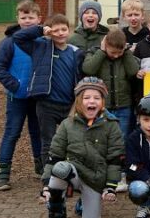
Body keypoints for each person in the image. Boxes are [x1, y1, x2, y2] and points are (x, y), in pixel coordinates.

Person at [39, 78, 124, 218]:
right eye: (87, 97)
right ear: (79, 101)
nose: (92, 101)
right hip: (73, 173)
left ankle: (82, 204)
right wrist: (47, 185)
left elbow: (115, 158)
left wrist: (110, 186)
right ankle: (56, 206)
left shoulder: (112, 125)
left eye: (97, 97)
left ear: (103, 102)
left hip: (95, 180)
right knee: (61, 167)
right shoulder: (67, 124)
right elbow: (55, 154)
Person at [13, 14, 82, 187]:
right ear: (49, 31)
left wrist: (76, 104)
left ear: (69, 30)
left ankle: (71, 177)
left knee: (72, 142)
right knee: (48, 142)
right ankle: (48, 179)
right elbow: (18, 37)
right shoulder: (40, 47)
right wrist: (39, 30)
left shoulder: (75, 51)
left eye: (63, 29)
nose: (60, 33)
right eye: (56, 30)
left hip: (69, 106)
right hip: (47, 105)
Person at [81, 28, 140, 191]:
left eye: (119, 52)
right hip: (102, 107)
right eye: (112, 52)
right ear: (104, 44)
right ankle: (100, 173)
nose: (116, 56)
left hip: (124, 106)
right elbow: (88, 69)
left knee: (121, 141)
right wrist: (101, 52)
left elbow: (134, 71)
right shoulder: (94, 52)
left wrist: (126, 53)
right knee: (100, 140)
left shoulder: (125, 56)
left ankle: (120, 174)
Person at [0, 0, 43, 191]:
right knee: (12, 133)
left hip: (38, 97)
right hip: (17, 97)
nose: (28, 21)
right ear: (18, 19)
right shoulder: (9, 42)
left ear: (39, 19)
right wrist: (15, 85)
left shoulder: (43, 41)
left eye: (31, 17)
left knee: (37, 133)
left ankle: (40, 166)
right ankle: (3, 172)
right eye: (24, 17)